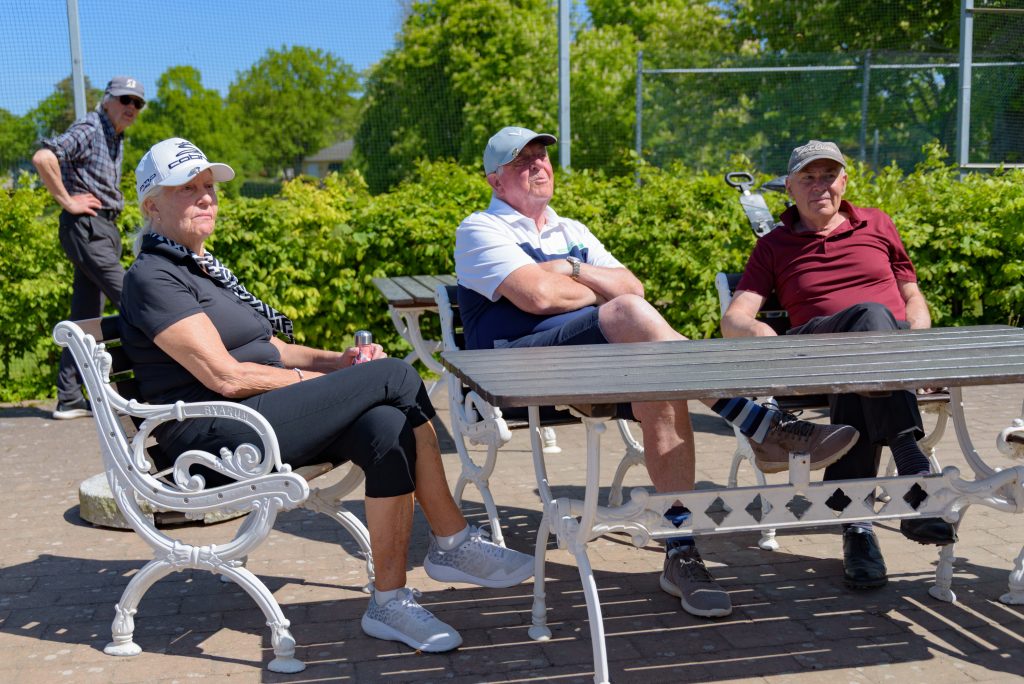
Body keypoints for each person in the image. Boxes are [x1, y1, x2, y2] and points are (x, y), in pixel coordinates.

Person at [119, 137, 534, 653]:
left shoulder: (199, 267)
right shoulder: (153, 277)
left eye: (209, 187)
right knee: (395, 376)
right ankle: (452, 541)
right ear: (152, 206)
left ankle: (389, 603)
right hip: (215, 435)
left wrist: (337, 363)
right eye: (188, 189)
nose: (206, 197)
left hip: (255, 415)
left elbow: (269, 348)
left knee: (385, 426)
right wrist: (324, 384)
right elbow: (225, 377)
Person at [454, 126, 861, 619]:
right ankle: (757, 422)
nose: (539, 164)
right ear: (495, 180)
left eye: (542, 156)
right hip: (514, 369)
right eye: (523, 160)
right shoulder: (481, 229)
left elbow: (633, 286)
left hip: (589, 361)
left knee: (661, 380)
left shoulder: (571, 231)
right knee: (628, 316)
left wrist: (572, 270)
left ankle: (680, 550)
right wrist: (591, 289)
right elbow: (540, 297)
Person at [721, 139, 957, 590]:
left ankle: (858, 530)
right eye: (808, 178)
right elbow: (734, 318)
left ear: (844, 182)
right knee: (870, 316)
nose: (820, 186)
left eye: (829, 176)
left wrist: (916, 350)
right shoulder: (774, 245)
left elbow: (912, 297)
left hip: (880, 359)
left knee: (865, 356)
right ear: (790, 188)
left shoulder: (878, 223)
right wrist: (760, 334)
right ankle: (912, 465)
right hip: (814, 354)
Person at [33, 76, 146, 420]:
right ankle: (161, 384)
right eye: (125, 99)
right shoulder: (91, 127)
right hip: (87, 228)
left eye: (137, 103)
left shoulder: (114, 136)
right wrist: (67, 201)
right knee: (136, 299)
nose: (131, 107)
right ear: (107, 99)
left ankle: (69, 397)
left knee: (85, 318)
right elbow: (43, 157)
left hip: (102, 228)